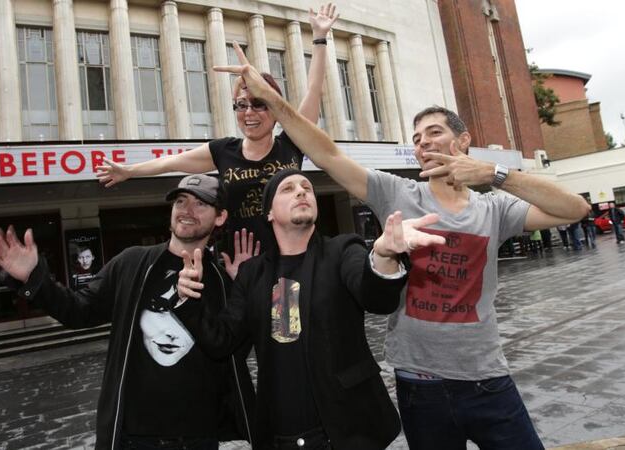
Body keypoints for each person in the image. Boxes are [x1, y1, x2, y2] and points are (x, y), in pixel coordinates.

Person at [214, 52, 592, 448]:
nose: (423, 142)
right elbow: (327, 154)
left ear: (463, 140)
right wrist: (270, 100)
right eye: (416, 138)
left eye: (433, 132)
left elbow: (574, 209)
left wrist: (493, 174)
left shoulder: (495, 209)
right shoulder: (396, 193)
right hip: (419, 383)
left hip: (487, 380)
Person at [177, 169, 446, 449]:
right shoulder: (251, 273)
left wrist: (384, 256)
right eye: (288, 189)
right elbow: (221, 341)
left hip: (349, 431)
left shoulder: (343, 250)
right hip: (281, 434)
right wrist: (189, 298)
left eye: (306, 187)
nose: (301, 191)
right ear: (269, 213)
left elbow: (375, 297)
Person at [0, 174, 256, 450]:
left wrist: (246, 287)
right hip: (132, 437)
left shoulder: (223, 282)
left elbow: (233, 349)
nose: (187, 210)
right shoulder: (133, 263)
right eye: (180, 201)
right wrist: (34, 278)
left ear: (220, 217)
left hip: (199, 438)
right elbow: (78, 310)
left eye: (200, 204)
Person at [96, 3, 339, 254]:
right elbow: (171, 162)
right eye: (241, 105)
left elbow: (313, 89)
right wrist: (128, 171)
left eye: (259, 104)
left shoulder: (292, 142)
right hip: (239, 267)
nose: (248, 113)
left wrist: (319, 38)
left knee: (292, 295)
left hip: (293, 260)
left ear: (276, 110)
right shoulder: (224, 150)